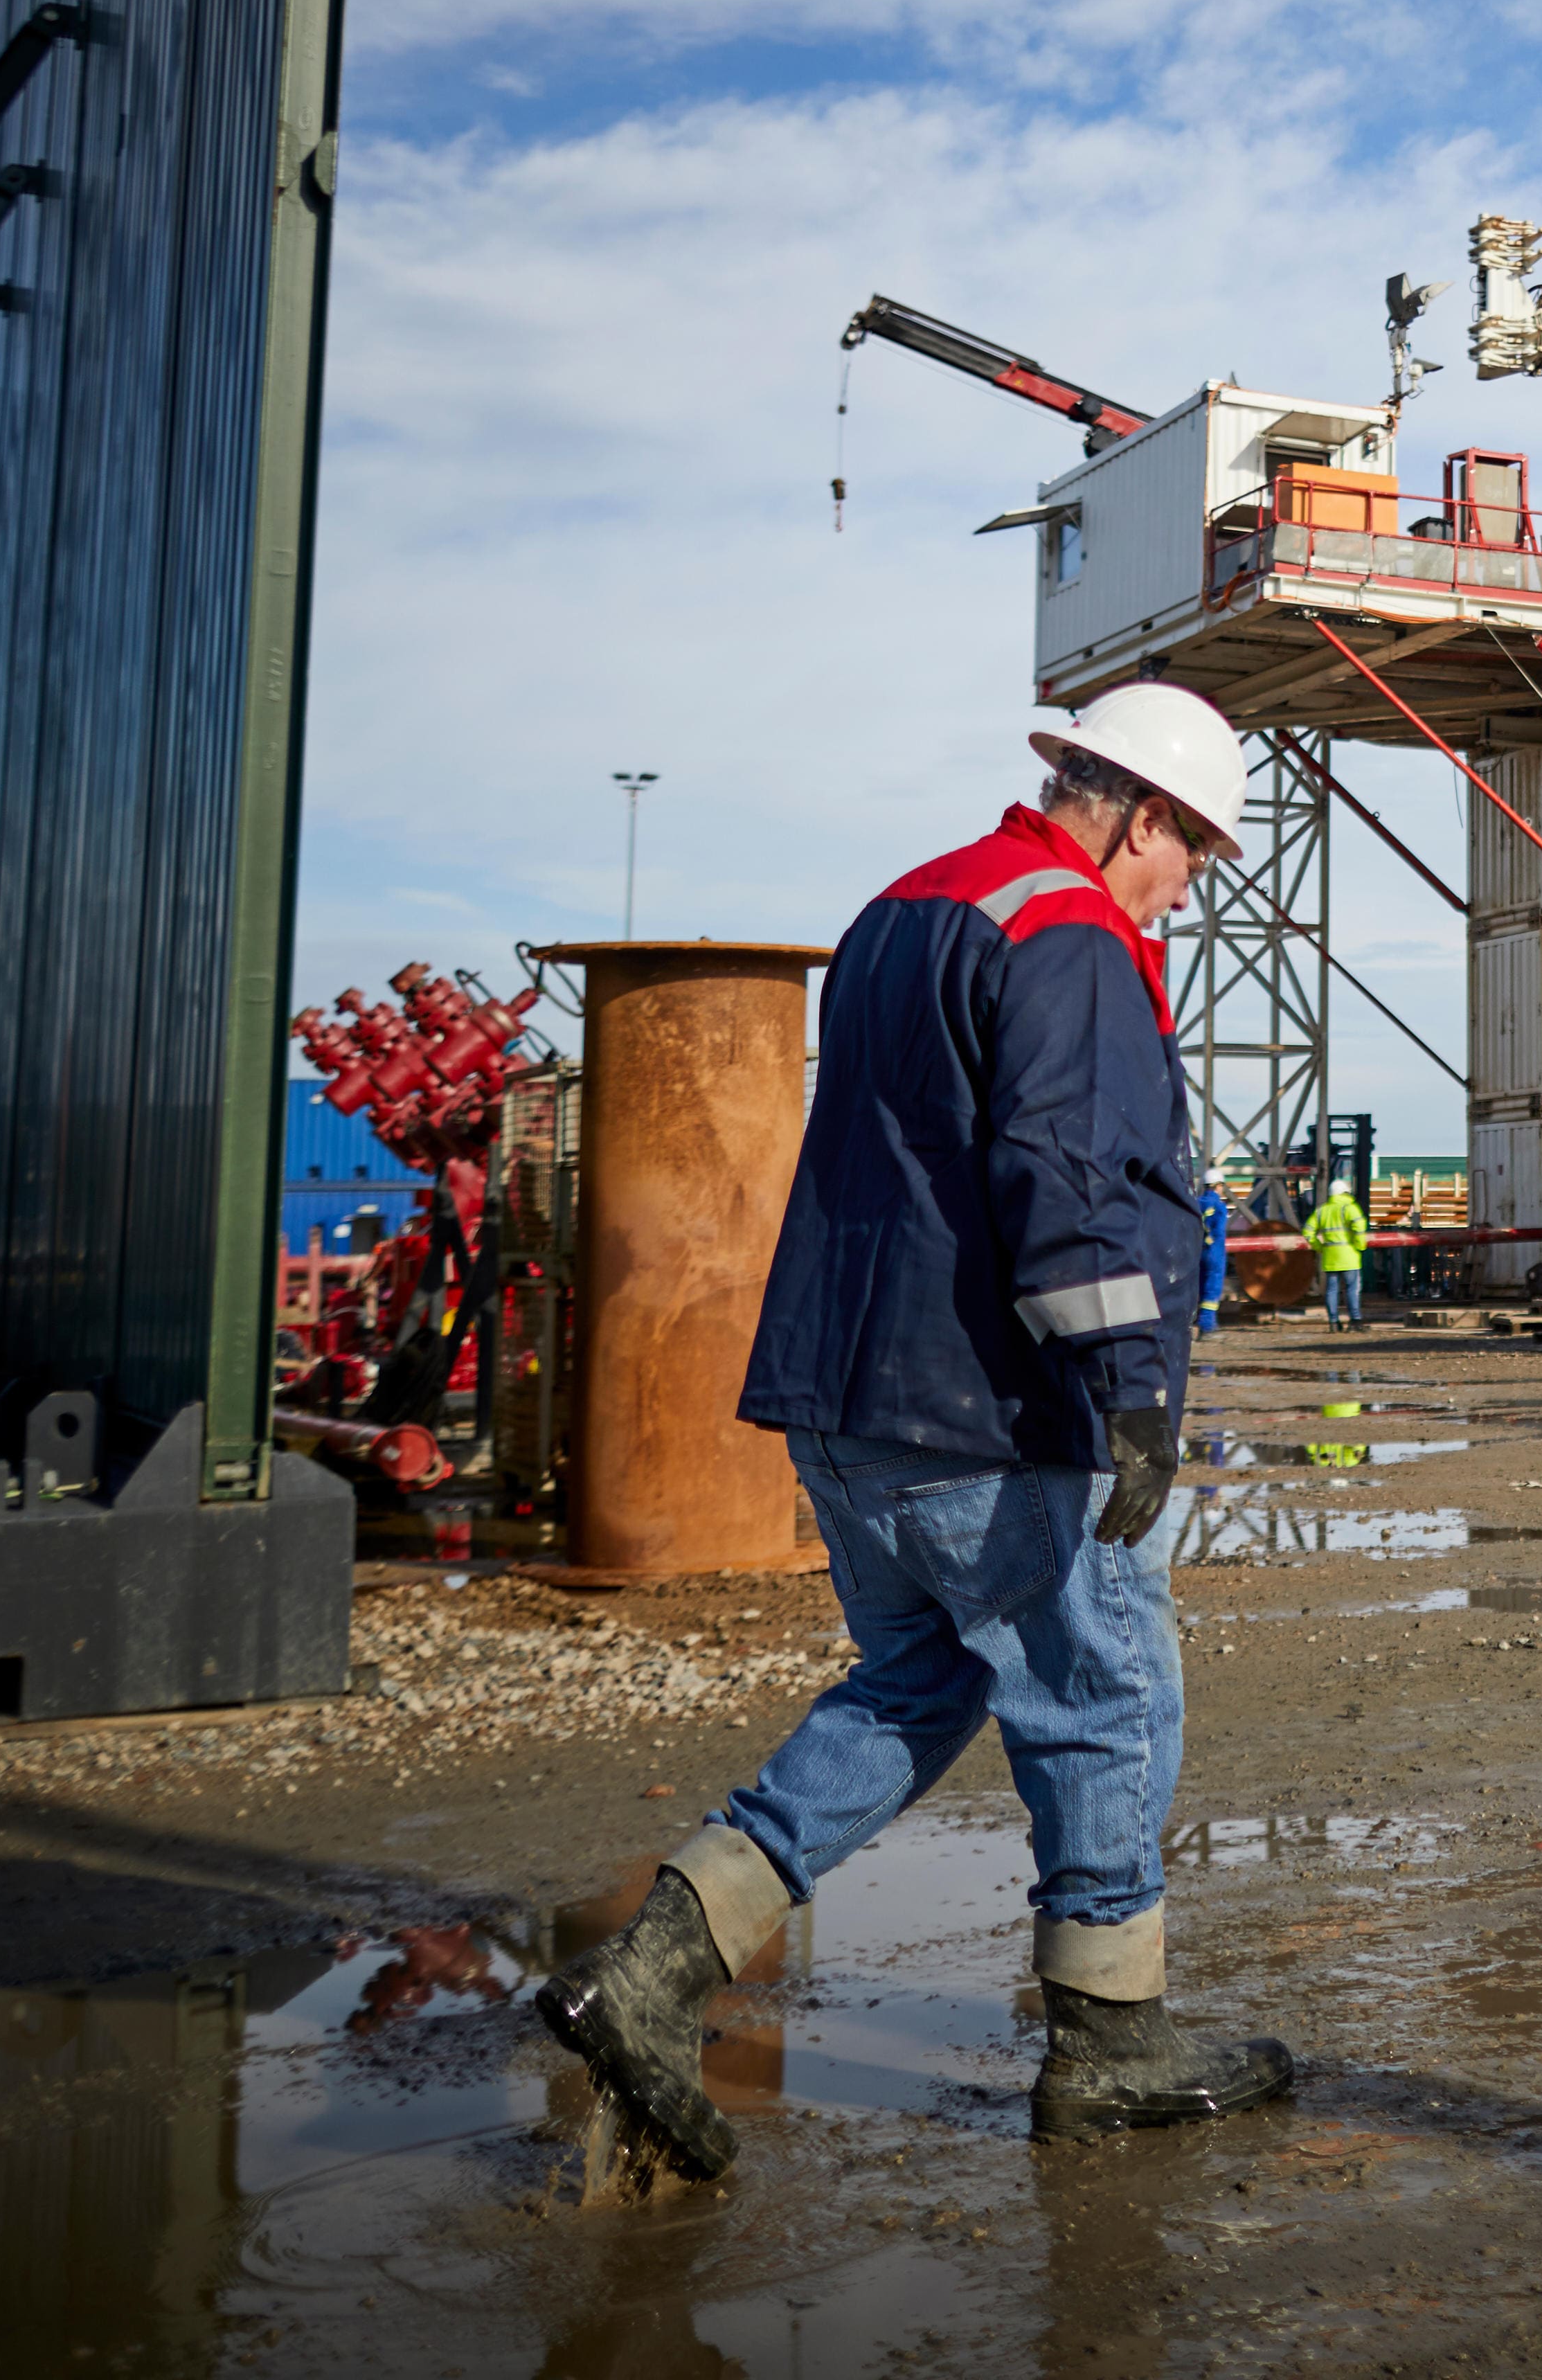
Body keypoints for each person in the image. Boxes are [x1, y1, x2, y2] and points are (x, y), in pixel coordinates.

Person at [538, 684, 1289, 2173]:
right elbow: (1068, 1177)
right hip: (992, 1411)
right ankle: (1110, 2042)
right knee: (1109, 1690)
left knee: (917, 1684)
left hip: (849, 1404)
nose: (1190, 882)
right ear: (1134, 810)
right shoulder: (1068, 929)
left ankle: (652, 1972)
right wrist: (1133, 1384)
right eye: (1190, 848)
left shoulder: (905, 906)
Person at [1304, 1176, 1369, 1328]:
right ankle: (1356, 1321)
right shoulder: (1350, 1208)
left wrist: (1318, 1247)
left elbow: (1307, 1231)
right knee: (1352, 1289)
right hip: (1349, 1256)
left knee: (1332, 1290)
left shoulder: (1322, 1211)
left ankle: (1333, 1322)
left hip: (1330, 1257)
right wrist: (1360, 1245)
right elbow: (1359, 1228)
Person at [1192, 1168, 1230, 1339]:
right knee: (1212, 1289)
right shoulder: (1219, 1206)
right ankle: (1207, 1327)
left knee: (1199, 1286)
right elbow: (1219, 1231)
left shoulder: (1196, 1203)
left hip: (1197, 1251)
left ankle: (1194, 1321)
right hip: (1214, 1252)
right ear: (1218, 1186)